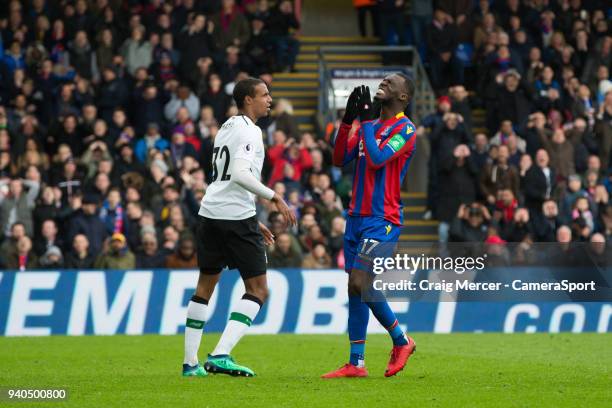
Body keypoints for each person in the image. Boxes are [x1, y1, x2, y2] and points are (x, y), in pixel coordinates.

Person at [182, 78, 296, 378]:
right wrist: (274, 197)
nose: (269, 99)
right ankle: (220, 354)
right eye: (264, 95)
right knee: (258, 290)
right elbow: (239, 174)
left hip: (211, 213)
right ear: (248, 99)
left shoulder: (227, 127)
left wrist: (253, 219)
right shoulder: (250, 130)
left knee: (204, 287)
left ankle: (190, 364)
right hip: (234, 217)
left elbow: (224, 178)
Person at [324, 74, 417, 379]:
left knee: (360, 282)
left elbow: (377, 159)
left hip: (383, 221)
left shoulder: (406, 129)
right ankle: (356, 363)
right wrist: (348, 120)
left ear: (403, 97)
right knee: (355, 289)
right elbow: (339, 158)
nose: (384, 83)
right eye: (384, 80)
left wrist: (364, 122)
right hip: (355, 218)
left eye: (392, 83)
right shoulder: (370, 125)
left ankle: (402, 341)